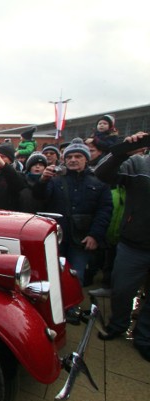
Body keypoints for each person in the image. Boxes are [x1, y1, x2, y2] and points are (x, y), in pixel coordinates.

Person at [93, 132, 150, 363]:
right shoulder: (139, 163)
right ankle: (118, 325)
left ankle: (144, 337)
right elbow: (102, 173)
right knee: (122, 290)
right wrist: (122, 149)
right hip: (134, 245)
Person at [32, 142, 112, 288]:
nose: (73, 160)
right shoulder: (55, 179)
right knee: (51, 275)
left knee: (75, 276)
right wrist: (43, 181)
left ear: (86, 159)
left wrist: (95, 235)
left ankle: (71, 309)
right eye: (69, 157)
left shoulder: (98, 181)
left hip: (81, 238)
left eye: (78, 156)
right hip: (56, 237)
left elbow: (104, 210)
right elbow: (39, 197)